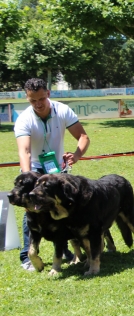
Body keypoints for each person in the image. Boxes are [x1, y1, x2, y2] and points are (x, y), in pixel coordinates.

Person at [14, 78, 90, 271]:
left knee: (63, 208)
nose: (38, 104)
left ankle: (64, 250)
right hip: (35, 168)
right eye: (33, 101)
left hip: (57, 170)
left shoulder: (63, 111)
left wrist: (77, 155)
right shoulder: (24, 119)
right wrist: (28, 178)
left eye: (41, 98)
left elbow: (83, 136)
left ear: (48, 93)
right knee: (32, 211)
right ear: (27, 98)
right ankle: (27, 256)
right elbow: (25, 151)